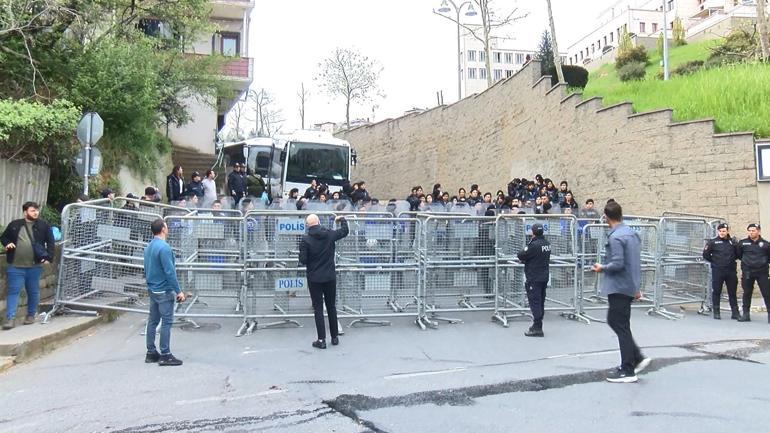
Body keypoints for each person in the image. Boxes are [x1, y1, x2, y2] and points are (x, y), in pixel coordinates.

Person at [592, 201, 651, 383]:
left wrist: (601, 267)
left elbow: (618, 263)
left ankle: (628, 368)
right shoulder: (631, 234)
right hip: (628, 285)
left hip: (619, 285)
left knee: (620, 324)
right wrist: (636, 287)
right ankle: (636, 358)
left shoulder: (616, 237)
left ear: (606, 216)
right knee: (618, 322)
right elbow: (634, 262)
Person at [1, 202, 55, 329]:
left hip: (34, 266)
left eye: (36, 210)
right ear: (25, 212)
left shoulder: (43, 225)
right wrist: (7, 243)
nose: (36, 213)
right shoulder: (15, 224)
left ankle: (31, 315)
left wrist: (48, 257)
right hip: (15, 265)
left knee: (33, 291)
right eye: (32, 210)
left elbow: (51, 242)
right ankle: (10, 319)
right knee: (13, 292)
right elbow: (3, 237)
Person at [298, 214, 349, 349]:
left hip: (314, 278)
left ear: (307, 225)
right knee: (331, 306)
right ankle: (335, 337)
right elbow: (345, 231)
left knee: (318, 308)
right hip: (329, 276)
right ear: (319, 222)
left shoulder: (305, 239)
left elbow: (302, 260)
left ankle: (321, 340)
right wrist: (341, 219)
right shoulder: (329, 234)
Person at [143, 218, 186, 366]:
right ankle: (165, 354)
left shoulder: (148, 247)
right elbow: (170, 272)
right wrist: (178, 291)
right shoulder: (165, 248)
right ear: (163, 229)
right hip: (164, 289)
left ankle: (151, 352)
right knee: (166, 322)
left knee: (153, 321)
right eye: (166, 226)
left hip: (153, 288)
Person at [517, 223, 551, 337]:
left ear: (533, 232)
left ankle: (537, 327)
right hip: (544, 276)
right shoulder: (547, 244)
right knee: (541, 301)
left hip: (534, 277)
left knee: (535, 301)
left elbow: (521, 255)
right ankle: (538, 324)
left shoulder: (533, 245)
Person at [702, 223, 739, 320]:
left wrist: (736, 245)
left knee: (732, 292)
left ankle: (735, 312)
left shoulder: (732, 242)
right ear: (718, 231)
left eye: (724, 231)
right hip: (718, 270)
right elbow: (705, 254)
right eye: (720, 231)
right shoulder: (713, 242)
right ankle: (717, 312)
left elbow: (738, 254)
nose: (722, 233)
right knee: (717, 291)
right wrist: (714, 262)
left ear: (727, 231)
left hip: (730, 270)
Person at [735, 223, 770, 323]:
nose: (751, 232)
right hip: (748, 272)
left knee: (767, 294)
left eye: (753, 230)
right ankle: (746, 314)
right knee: (747, 293)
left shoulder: (766, 244)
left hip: (762, 272)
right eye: (750, 230)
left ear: (758, 231)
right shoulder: (742, 243)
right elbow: (739, 255)